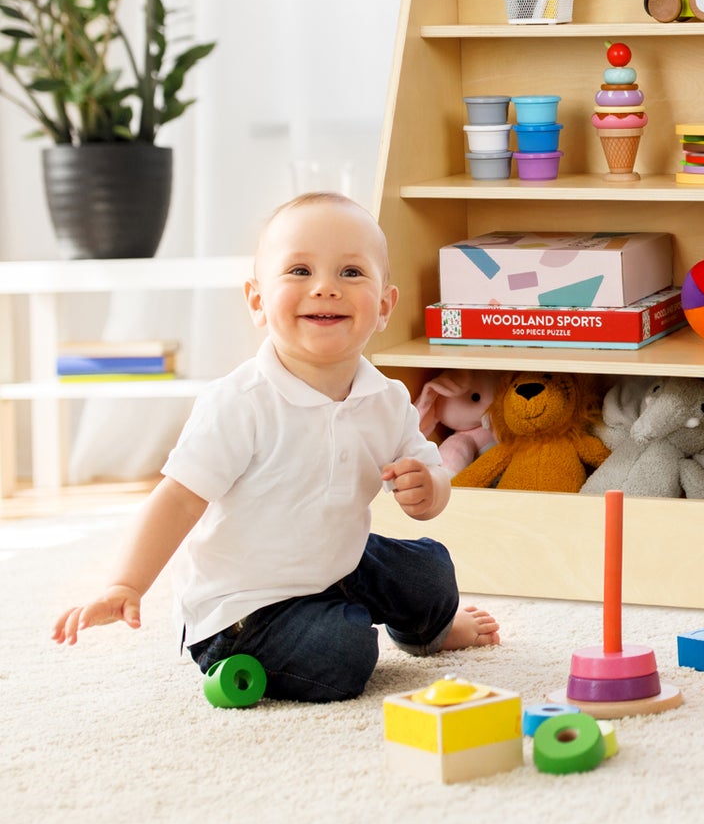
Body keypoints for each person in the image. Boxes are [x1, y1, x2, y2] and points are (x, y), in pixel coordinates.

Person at [52, 192, 498, 700]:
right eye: (300, 271)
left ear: (384, 306)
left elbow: (429, 469)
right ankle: (306, 635)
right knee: (345, 653)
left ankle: (428, 632)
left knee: (429, 570)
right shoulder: (240, 402)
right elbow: (177, 498)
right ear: (258, 301)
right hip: (246, 607)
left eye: (351, 273)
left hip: (335, 563)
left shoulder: (387, 397)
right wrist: (125, 585)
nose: (326, 288)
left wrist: (429, 489)